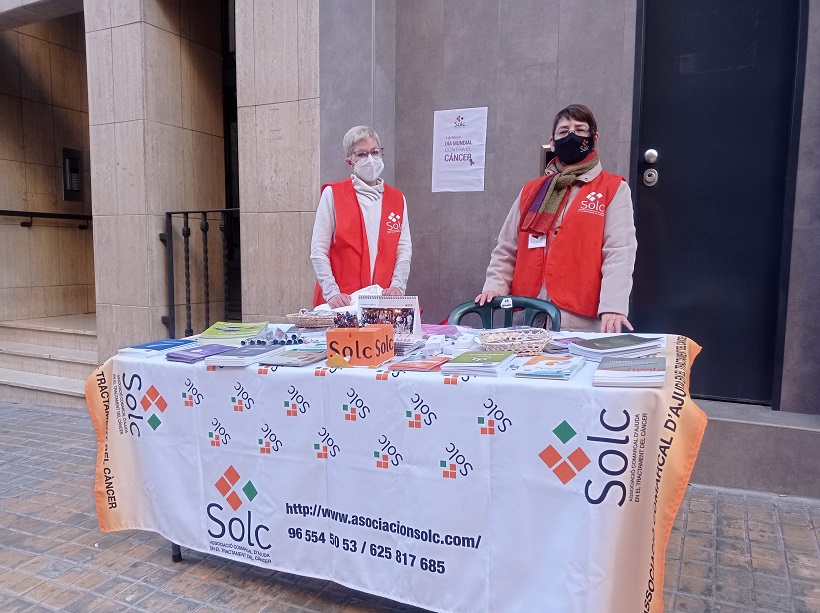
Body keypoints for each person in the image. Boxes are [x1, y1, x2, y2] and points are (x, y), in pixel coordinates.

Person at [475, 104, 637, 332]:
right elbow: (507, 248)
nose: (571, 135)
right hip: (527, 313)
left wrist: (613, 306)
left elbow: (619, 252)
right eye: (563, 132)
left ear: (594, 138)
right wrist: (494, 287)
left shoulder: (613, 189)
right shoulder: (531, 191)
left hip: (579, 317)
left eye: (580, 129)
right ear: (552, 142)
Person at [311, 126, 412, 308]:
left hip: (381, 301)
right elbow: (318, 250)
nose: (370, 159)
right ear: (350, 161)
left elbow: (403, 249)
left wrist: (398, 286)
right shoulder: (333, 194)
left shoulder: (397, 199)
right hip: (341, 302)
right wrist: (331, 293)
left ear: (382, 154)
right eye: (362, 154)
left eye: (374, 152)